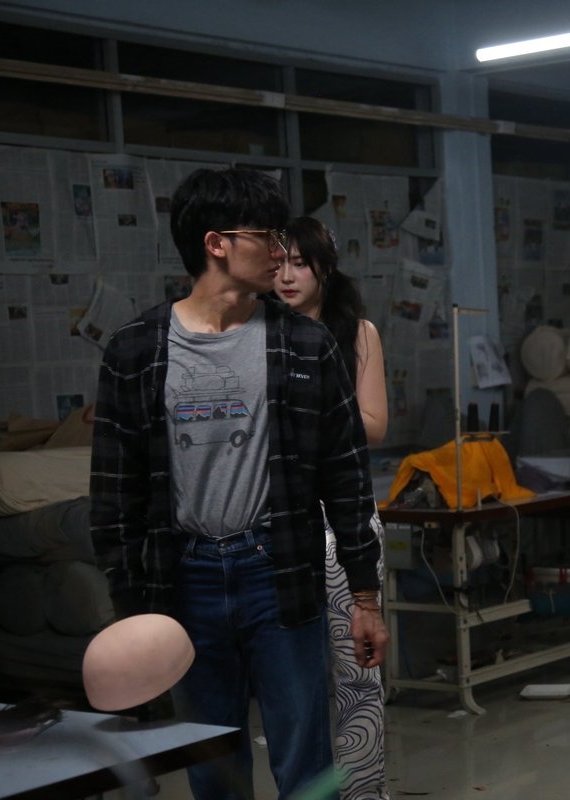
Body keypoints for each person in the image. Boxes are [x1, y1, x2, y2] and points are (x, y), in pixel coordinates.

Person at [90, 168, 388, 800]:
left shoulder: (305, 344)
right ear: (217, 244)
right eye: (268, 236)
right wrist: (130, 610)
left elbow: (345, 477)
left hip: (278, 571)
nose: (280, 252)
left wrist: (365, 598)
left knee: (306, 764)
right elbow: (115, 496)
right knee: (213, 767)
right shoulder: (135, 350)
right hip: (185, 580)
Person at [275, 216, 390, 800]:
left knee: (356, 677)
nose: (287, 275)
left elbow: (375, 424)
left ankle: (363, 793)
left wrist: (306, 414)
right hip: (278, 521)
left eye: (300, 262)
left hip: (343, 518)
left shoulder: (357, 334)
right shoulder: (259, 333)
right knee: (291, 680)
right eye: (278, 263)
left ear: (325, 267)